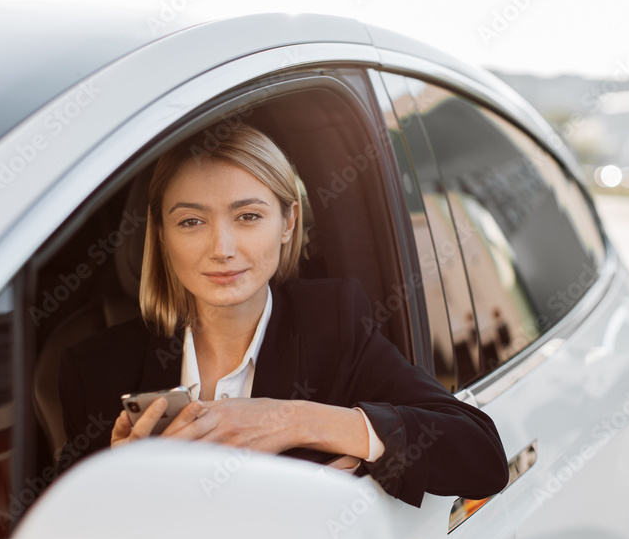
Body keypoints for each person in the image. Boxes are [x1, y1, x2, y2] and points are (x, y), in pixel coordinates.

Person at [57, 124, 509, 507]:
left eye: (248, 216)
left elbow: (480, 456)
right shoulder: (95, 371)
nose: (222, 249)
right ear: (160, 233)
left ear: (288, 222)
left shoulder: (332, 324)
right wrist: (117, 485)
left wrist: (293, 420)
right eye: (191, 222)